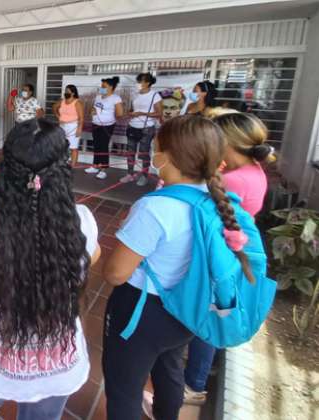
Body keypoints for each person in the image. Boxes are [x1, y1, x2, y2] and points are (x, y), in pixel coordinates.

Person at [0, 119, 101, 420]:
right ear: (64, 168)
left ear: (6, 168)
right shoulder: (83, 219)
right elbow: (92, 256)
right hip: (60, 367)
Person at [102, 115, 250, 420]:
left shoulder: (155, 207)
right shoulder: (217, 200)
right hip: (188, 308)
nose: (152, 156)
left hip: (144, 311)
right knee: (169, 369)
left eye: (156, 149)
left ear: (169, 157)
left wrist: (131, 238)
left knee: (124, 388)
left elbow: (115, 273)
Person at [177, 112, 274, 406]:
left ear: (226, 143)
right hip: (229, 255)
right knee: (213, 315)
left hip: (220, 259)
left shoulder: (230, 180)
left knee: (210, 320)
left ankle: (193, 384)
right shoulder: (254, 170)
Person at [121, 73, 163, 187]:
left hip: (146, 128)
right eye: (138, 81)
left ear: (148, 83)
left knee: (144, 153)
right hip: (132, 126)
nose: (138, 84)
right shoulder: (135, 95)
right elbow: (131, 109)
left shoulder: (155, 96)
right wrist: (130, 113)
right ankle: (130, 174)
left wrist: (142, 113)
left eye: (140, 81)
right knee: (130, 152)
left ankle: (144, 176)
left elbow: (159, 113)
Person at [86, 77, 123, 180]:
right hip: (95, 124)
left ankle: (103, 170)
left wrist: (108, 118)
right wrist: (92, 111)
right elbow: (94, 108)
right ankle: (95, 166)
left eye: (104, 86)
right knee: (96, 145)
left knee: (103, 147)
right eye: (101, 86)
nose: (101, 88)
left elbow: (120, 113)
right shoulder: (98, 97)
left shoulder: (116, 98)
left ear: (111, 87)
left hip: (107, 126)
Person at [52, 84, 84, 167]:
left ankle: (72, 165)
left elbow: (81, 117)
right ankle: (63, 162)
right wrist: (58, 116)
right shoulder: (62, 101)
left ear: (73, 93)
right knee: (62, 146)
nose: (65, 93)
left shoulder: (77, 103)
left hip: (73, 126)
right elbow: (54, 107)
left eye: (67, 91)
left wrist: (79, 129)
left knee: (73, 147)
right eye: (65, 91)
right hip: (62, 125)